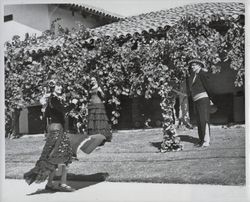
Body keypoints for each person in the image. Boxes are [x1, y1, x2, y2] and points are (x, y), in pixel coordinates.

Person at [24, 80, 77, 192]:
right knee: (64, 157)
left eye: (61, 86)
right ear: (53, 88)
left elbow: (48, 114)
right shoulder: (54, 99)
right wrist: (73, 103)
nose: (60, 88)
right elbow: (64, 110)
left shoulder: (52, 100)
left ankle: (49, 184)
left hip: (54, 129)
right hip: (58, 130)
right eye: (58, 86)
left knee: (53, 157)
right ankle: (62, 184)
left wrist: (46, 106)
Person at [187, 59, 214, 147]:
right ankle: (201, 140)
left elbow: (208, 86)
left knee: (204, 119)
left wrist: (211, 99)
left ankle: (206, 141)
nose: (192, 67)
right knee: (199, 121)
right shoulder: (195, 75)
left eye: (194, 65)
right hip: (196, 100)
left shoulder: (202, 73)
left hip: (203, 99)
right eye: (191, 65)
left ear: (199, 65)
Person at [87, 76, 112, 143]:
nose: (92, 81)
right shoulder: (91, 88)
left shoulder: (98, 87)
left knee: (99, 120)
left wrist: (101, 92)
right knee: (94, 120)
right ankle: (95, 136)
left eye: (94, 80)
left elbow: (104, 96)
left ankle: (101, 136)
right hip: (92, 105)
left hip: (98, 104)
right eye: (91, 80)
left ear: (96, 80)